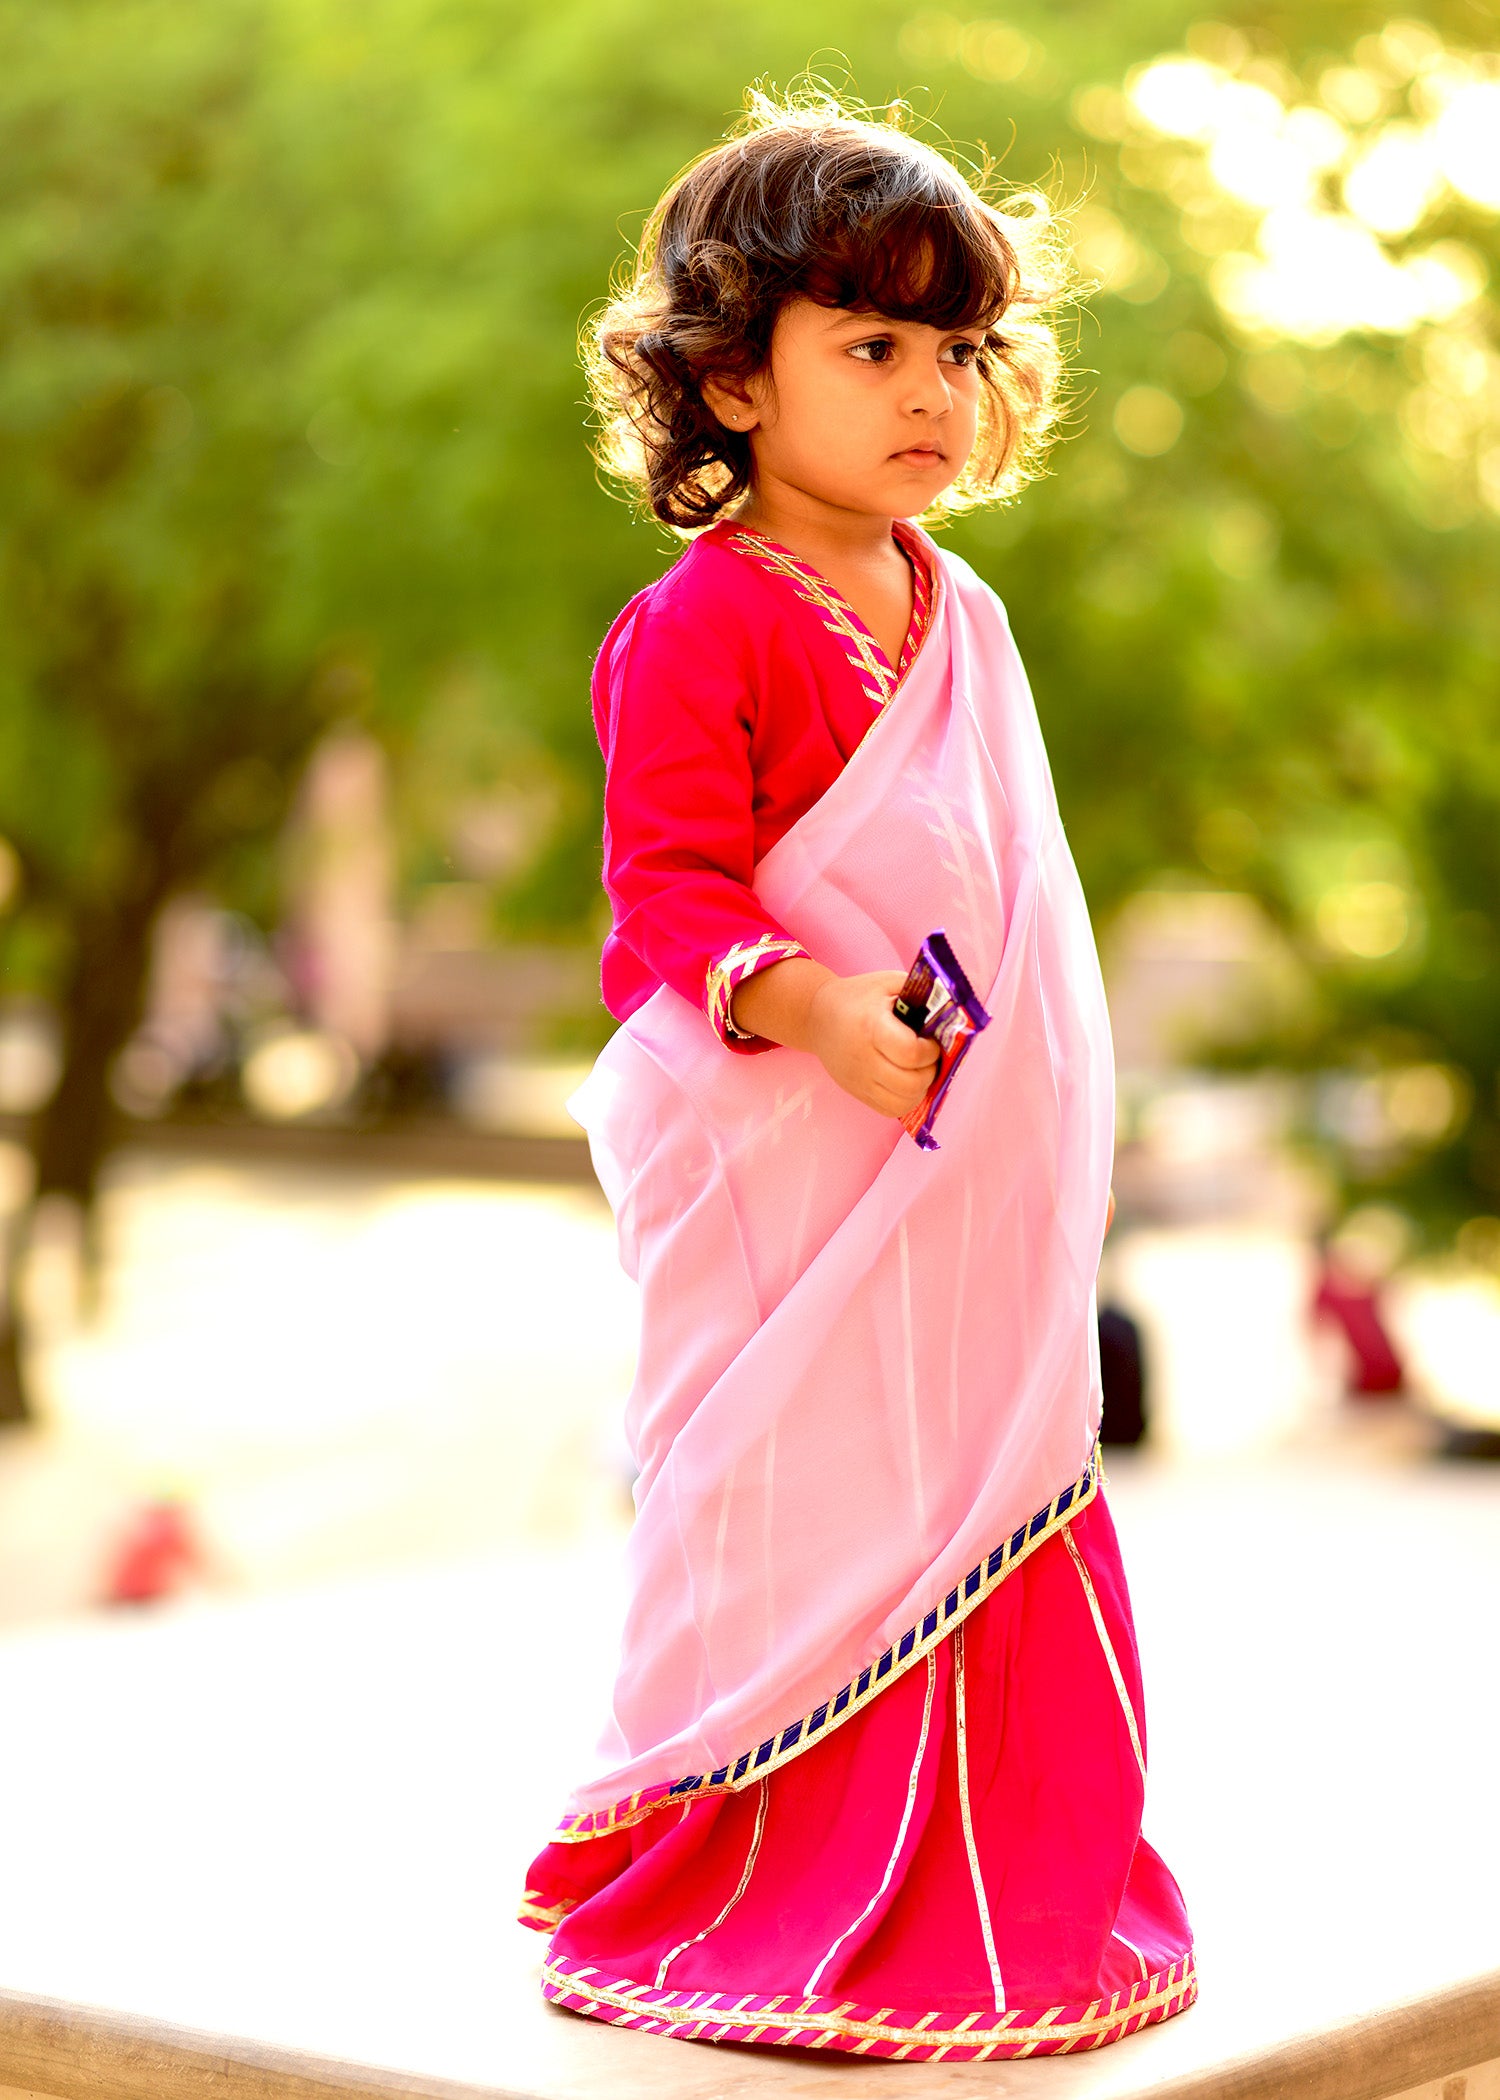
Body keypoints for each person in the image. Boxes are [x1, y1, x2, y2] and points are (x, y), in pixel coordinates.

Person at [518, 95, 1195, 2060]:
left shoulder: (959, 616)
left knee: (982, 1466)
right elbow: (665, 894)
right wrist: (810, 1012)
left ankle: (1015, 1890)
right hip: (795, 1157)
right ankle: (747, 1883)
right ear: (731, 379)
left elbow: (1008, 894)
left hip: (958, 1181)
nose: (933, 396)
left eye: (960, 353)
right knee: (801, 1488)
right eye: (873, 347)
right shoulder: (699, 625)